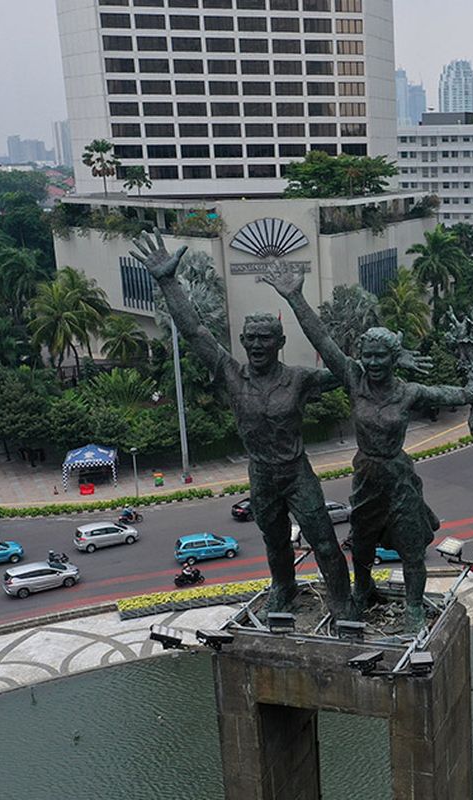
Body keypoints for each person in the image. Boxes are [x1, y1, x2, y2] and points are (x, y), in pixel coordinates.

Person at [130, 231, 354, 619]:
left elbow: (344, 370)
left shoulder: (300, 379)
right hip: (261, 473)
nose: (256, 345)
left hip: (296, 471)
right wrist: (168, 281)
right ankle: (283, 587)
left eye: (265, 338)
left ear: (280, 342)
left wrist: (296, 299)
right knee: (274, 540)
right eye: (250, 338)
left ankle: (342, 601)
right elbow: (195, 331)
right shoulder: (231, 374)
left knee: (324, 541)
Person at [259, 264, 473, 631]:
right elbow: (322, 340)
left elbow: (452, 394)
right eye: (369, 356)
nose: (374, 363)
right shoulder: (353, 378)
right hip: (366, 476)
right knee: (362, 547)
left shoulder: (409, 392)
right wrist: (295, 297)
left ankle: (413, 606)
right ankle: (363, 589)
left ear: (394, 358)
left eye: (382, 356)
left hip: (398, 476)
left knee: (412, 547)